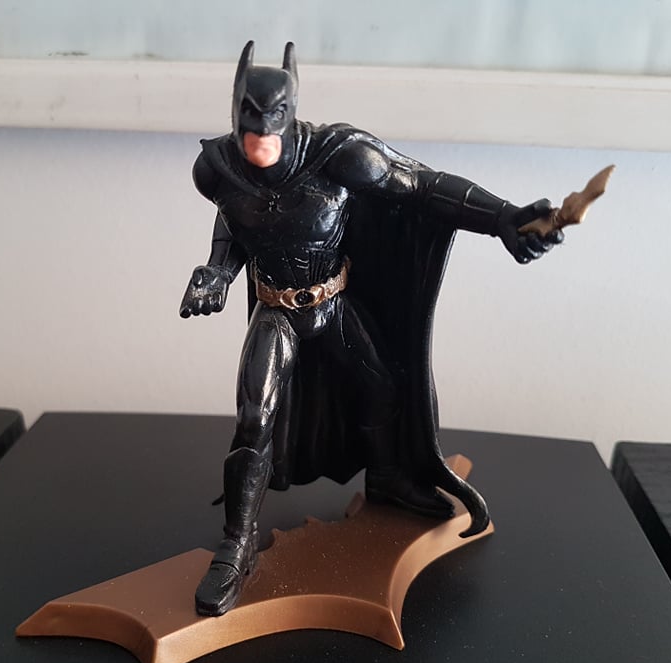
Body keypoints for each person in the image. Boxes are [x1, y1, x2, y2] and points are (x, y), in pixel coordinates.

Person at [180, 41, 564, 617]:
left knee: (383, 386)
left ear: (290, 113)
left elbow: (424, 185)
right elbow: (235, 220)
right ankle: (236, 547)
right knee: (255, 419)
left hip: (333, 303)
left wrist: (504, 217)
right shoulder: (217, 169)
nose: (259, 139)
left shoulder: (340, 155)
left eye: (271, 123)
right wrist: (217, 271)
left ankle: (387, 478)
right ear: (236, 115)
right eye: (249, 125)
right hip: (277, 312)